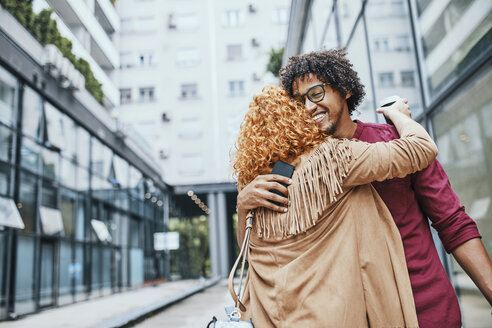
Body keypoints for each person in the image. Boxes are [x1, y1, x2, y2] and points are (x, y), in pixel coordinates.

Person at [236, 49, 492, 328]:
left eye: (316, 93)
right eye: (299, 102)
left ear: (344, 89)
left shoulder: (393, 141)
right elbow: (263, 250)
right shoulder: (308, 171)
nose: (308, 107)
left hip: (425, 310)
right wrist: (243, 204)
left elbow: (453, 223)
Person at [232, 85, 440, 327]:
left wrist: (242, 206)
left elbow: (248, 251)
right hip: (332, 314)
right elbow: (422, 148)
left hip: (274, 317)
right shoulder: (333, 160)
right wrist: (399, 115)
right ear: (298, 117)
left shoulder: (253, 189)